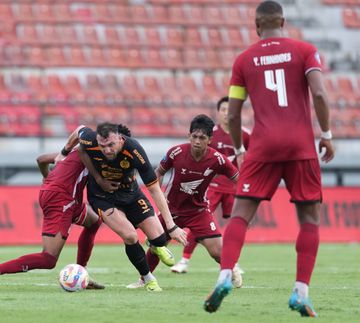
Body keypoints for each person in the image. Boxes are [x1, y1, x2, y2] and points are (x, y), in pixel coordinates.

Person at [204, 0, 335, 317]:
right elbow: (318, 94)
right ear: (284, 21)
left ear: (257, 26)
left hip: (262, 146)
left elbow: (233, 114)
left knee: (240, 216)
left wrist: (238, 148)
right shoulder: (305, 50)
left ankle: (225, 275)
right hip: (300, 145)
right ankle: (301, 291)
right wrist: (327, 135)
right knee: (309, 220)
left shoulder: (244, 60)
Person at [127, 114, 243, 289]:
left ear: (209, 140)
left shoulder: (217, 159)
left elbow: (238, 179)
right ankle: (144, 279)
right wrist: (160, 193)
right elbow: (157, 173)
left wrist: (246, 200)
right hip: (171, 210)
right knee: (156, 245)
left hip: (199, 211)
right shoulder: (176, 152)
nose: (197, 141)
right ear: (189, 136)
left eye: (202, 138)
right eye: (194, 136)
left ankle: (231, 269)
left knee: (217, 251)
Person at [77, 122, 187, 292]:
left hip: (131, 195)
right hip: (102, 197)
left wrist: (171, 226)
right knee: (130, 236)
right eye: (102, 146)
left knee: (160, 238)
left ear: (120, 140)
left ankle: (154, 243)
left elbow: (154, 188)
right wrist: (98, 178)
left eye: (111, 145)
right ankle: (148, 279)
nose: (106, 150)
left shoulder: (134, 150)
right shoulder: (89, 139)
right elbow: (80, 146)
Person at [0, 125, 103, 289]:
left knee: (94, 222)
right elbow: (81, 128)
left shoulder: (73, 154)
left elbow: (41, 159)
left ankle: (80, 272)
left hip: (64, 197)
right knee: (48, 259)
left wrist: (48, 179)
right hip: (61, 199)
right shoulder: (92, 155)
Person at [171, 96, 250, 276]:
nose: (226, 113)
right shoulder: (208, 134)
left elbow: (253, 156)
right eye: (223, 110)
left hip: (234, 188)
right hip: (212, 187)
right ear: (219, 112)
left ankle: (233, 261)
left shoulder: (244, 134)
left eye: (230, 110)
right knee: (199, 224)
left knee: (237, 225)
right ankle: (184, 260)